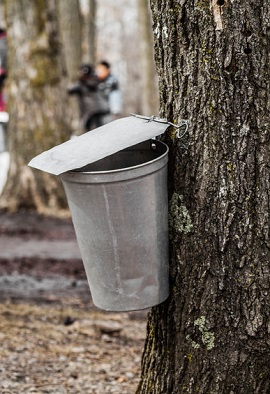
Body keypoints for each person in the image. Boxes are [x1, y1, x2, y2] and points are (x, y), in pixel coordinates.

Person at [67, 64, 110, 132]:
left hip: (90, 111)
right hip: (100, 108)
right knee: (100, 128)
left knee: (89, 130)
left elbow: (70, 90)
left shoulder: (82, 83)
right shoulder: (96, 80)